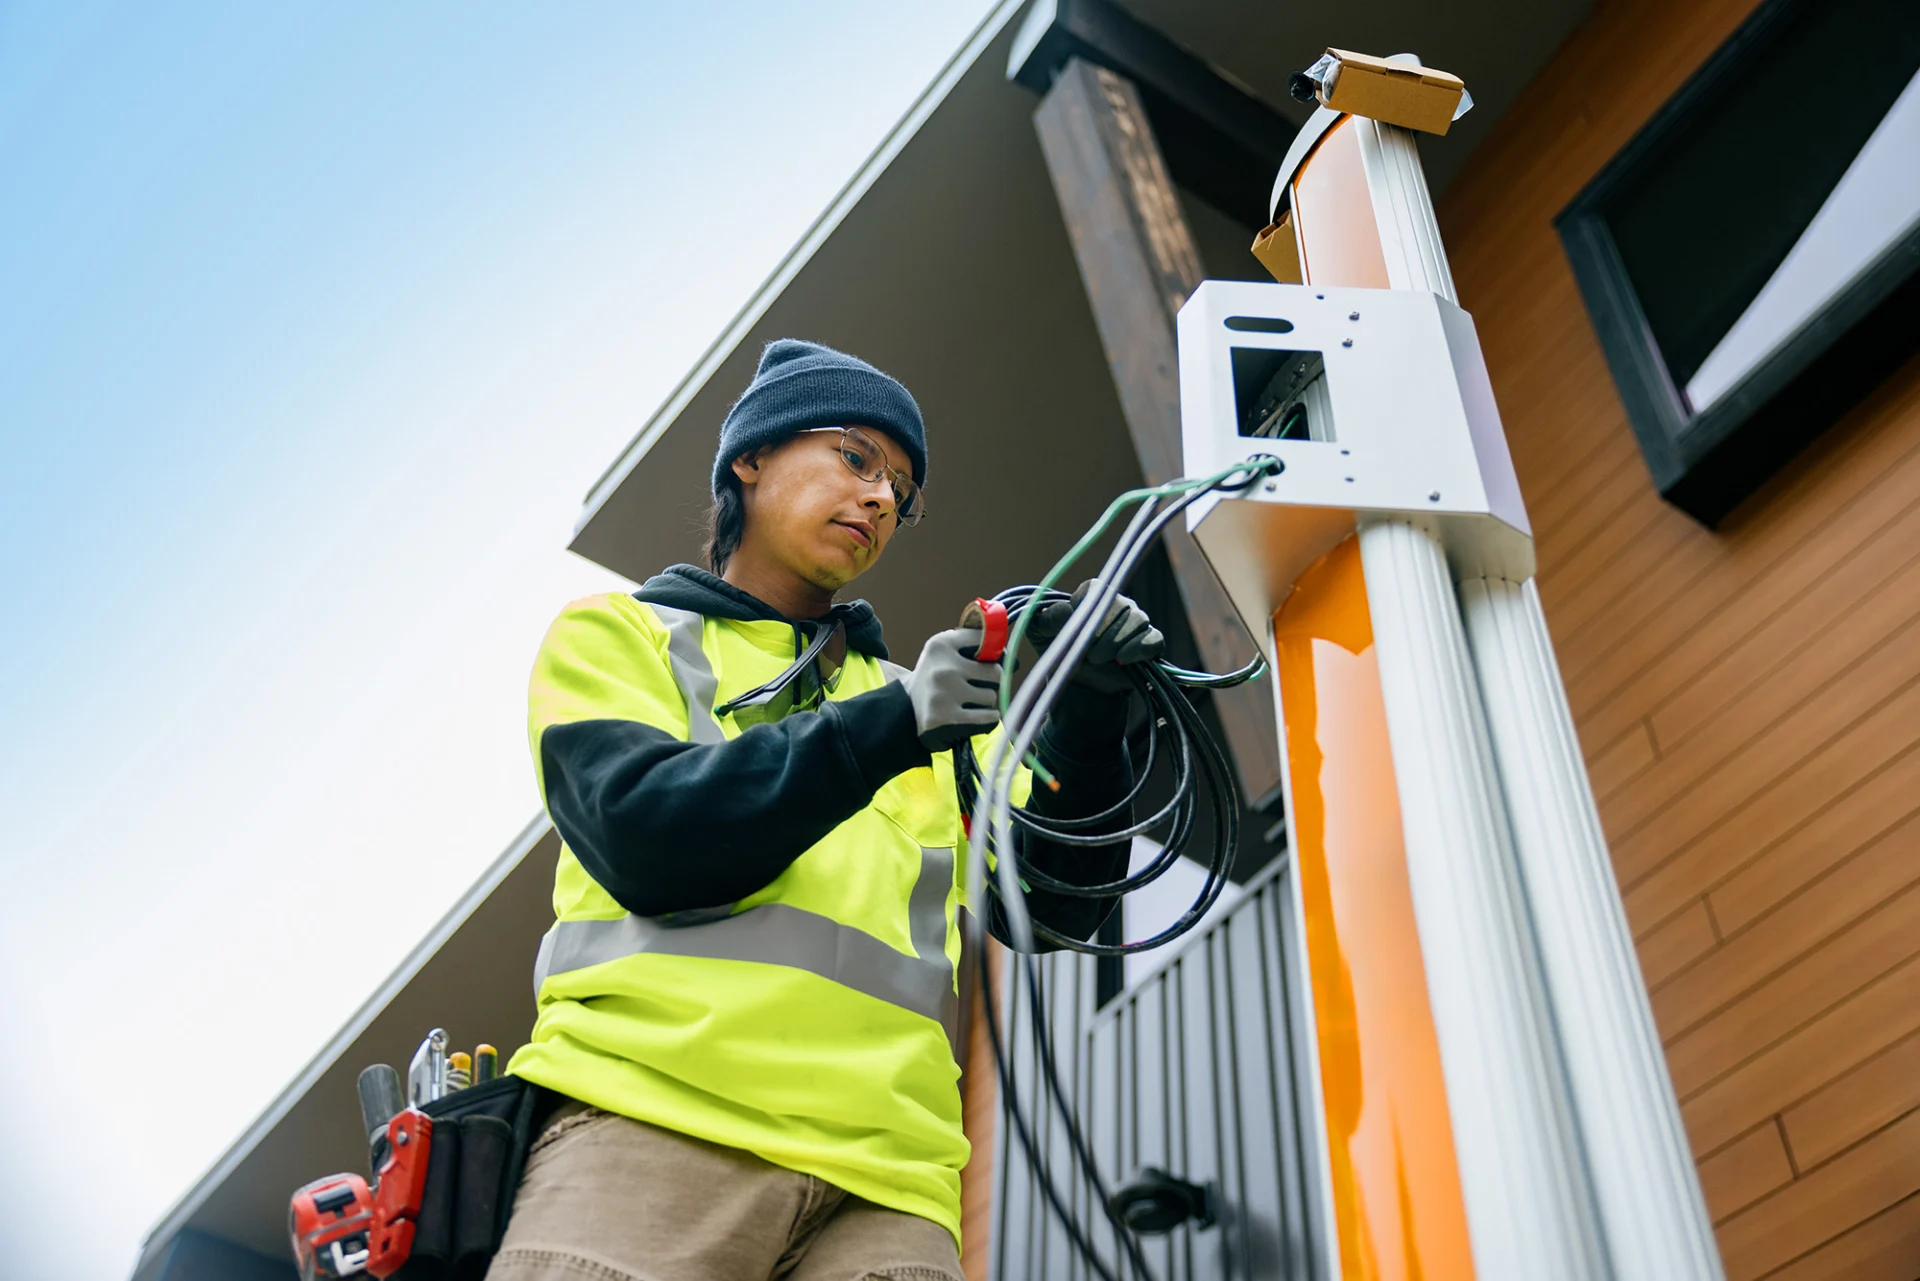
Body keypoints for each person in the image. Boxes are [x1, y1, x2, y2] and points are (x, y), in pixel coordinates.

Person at [491, 339, 1164, 1281]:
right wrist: (892, 723)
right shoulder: (624, 634)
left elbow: (1051, 905)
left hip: (888, 1191)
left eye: (902, 487)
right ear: (750, 458)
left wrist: (1093, 721)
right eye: (855, 457)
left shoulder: (924, 706)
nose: (883, 496)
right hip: (651, 1122)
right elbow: (647, 836)